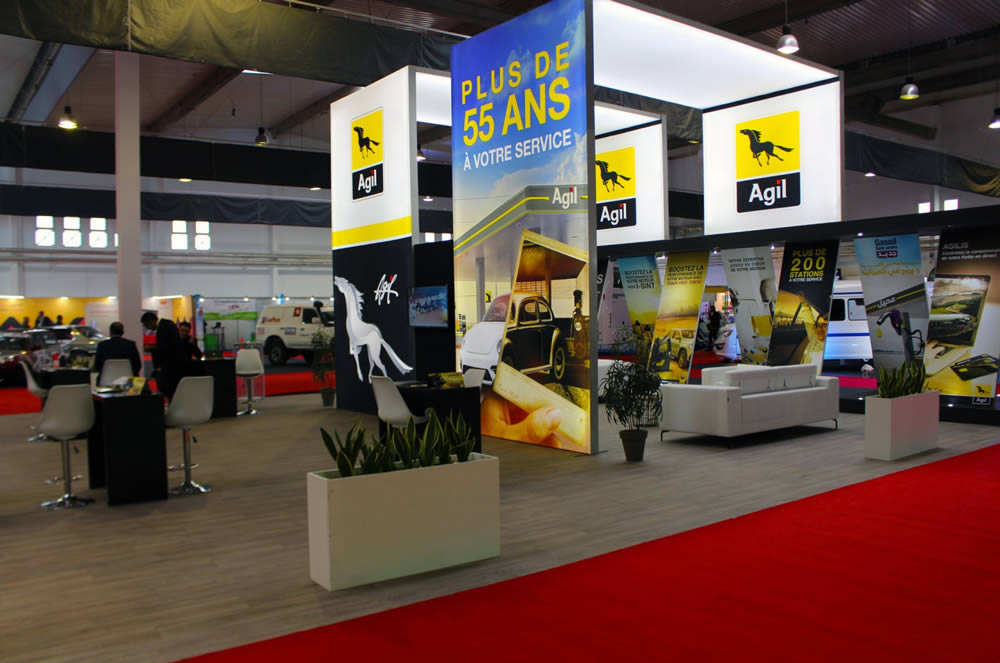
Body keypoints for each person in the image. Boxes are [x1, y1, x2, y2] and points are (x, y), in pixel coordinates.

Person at [141, 311, 185, 399]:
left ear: (151, 321)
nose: (146, 327)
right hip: (175, 364)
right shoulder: (167, 324)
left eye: (146, 325)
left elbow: (164, 348)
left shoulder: (163, 328)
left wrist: (150, 349)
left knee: (169, 390)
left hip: (170, 366)